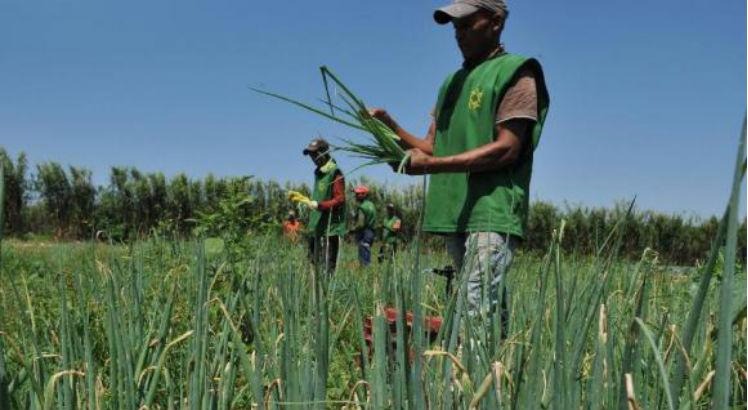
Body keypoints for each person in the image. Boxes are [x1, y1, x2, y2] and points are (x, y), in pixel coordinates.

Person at [368, 0, 550, 328]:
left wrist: (431, 167)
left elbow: (506, 149)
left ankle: (467, 379)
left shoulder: (517, 73)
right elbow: (433, 147)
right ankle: (501, 369)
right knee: (485, 308)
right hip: (456, 210)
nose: (458, 34)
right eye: (455, 27)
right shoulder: (451, 83)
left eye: (467, 25)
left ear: (495, 22)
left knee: (475, 306)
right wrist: (389, 127)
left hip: (492, 210)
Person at [301, 138, 346, 274]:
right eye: (311, 155)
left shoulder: (334, 172)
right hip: (316, 225)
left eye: (315, 154)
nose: (313, 158)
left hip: (330, 228)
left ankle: (327, 294)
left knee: (328, 269)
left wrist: (319, 205)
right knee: (313, 265)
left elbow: (340, 199)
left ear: (324, 152)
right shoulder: (319, 172)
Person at [351, 185, 376, 266]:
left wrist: (353, 230)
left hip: (365, 232)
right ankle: (367, 268)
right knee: (367, 248)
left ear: (363, 195)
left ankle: (365, 270)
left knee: (363, 250)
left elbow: (361, 224)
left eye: (358, 194)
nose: (356, 196)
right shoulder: (371, 204)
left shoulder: (362, 207)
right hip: (371, 231)